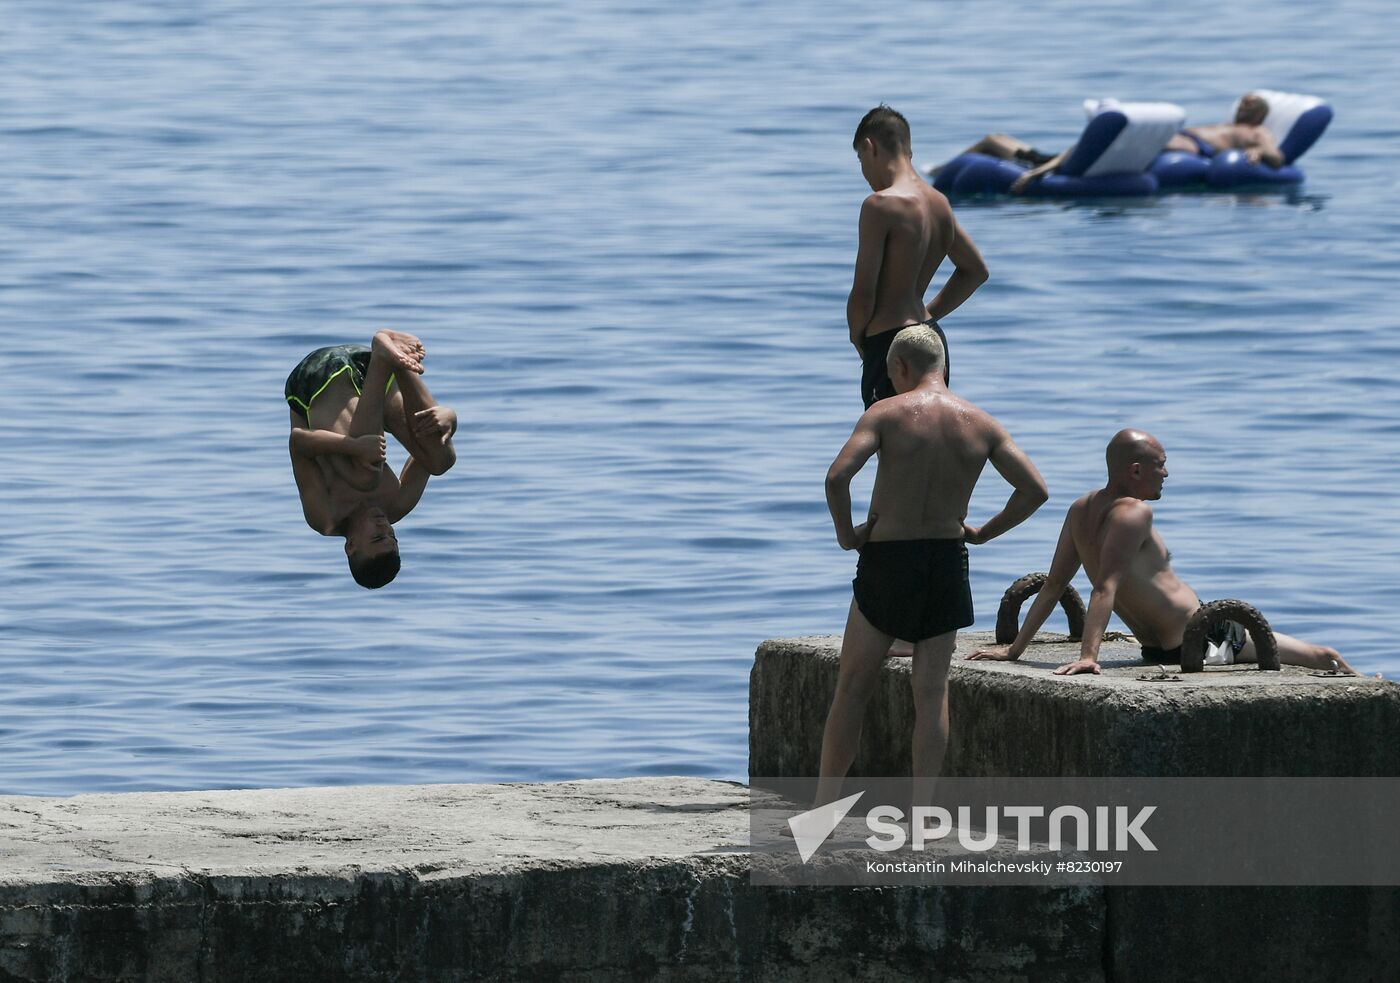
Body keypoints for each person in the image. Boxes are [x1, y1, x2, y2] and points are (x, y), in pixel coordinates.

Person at [816, 326, 1048, 808]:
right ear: (941, 365)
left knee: (853, 689)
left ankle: (823, 808)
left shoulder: (886, 412)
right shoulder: (981, 423)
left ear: (899, 367)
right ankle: (922, 816)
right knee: (932, 694)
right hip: (947, 561)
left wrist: (847, 536)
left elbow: (838, 476)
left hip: (889, 560)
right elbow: (1034, 490)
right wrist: (983, 532)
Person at [968, 429, 1359, 675]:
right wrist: (1089, 656)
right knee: (1324, 655)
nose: (1167, 474)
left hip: (1160, 648)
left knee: (1318, 655)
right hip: (1205, 636)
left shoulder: (1080, 508)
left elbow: (1054, 586)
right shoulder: (1134, 512)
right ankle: (1372, 693)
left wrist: (1015, 651)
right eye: (1161, 465)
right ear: (1136, 471)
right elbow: (1105, 587)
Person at [286, 329, 458, 589]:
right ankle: (398, 363)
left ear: (351, 546)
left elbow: (298, 442)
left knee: (364, 476)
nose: (385, 527)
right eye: (392, 536)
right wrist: (450, 418)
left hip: (319, 377)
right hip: (369, 371)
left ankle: (383, 354)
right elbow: (429, 452)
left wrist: (352, 447)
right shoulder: (398, 504)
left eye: (378, 538)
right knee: (441, 462)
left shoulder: (324, 516)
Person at [849, 105, 988, 410]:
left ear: (870, 148)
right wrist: (928, 316)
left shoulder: (879, 205)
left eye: (860, 160)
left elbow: (863, 294)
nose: (864, 173)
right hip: (931, 341)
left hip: (889, 342)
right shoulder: (939, 203)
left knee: (890, 443)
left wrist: (859, 339)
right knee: (928, 441)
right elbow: (975, 271)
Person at [943, 92, 1286, 194]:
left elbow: (1276, 156)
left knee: (995, 145)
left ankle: (942, 176)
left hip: (1165, 152)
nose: (1243, 104)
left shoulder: (1254, 133)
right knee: (993, 140)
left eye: (1251, 104)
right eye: (1242, 100)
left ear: (1260, 114)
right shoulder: (1224, 123)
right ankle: (941, 173)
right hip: (1101, 157)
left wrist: (1256, 152)